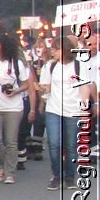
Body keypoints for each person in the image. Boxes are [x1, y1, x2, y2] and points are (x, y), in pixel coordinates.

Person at [39, 36, 94, 190]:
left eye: (55, 49)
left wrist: (84, 109)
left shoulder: (79, 66)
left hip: (73, 110)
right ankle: (56, 175)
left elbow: (84, 88)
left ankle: (70, 176)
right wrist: (43, 89)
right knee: (54, 143)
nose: (52, 52)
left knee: (70, 145)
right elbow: (47, 86)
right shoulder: (50, 66)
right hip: (53, 109)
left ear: (63, 50)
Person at [0, 33, 30, 183]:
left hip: (13, 107)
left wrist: (16, 90)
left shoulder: (17, 64)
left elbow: (25, 84)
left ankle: (10, 171)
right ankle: (2, 164)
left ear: (4, 46)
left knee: (11, 141)